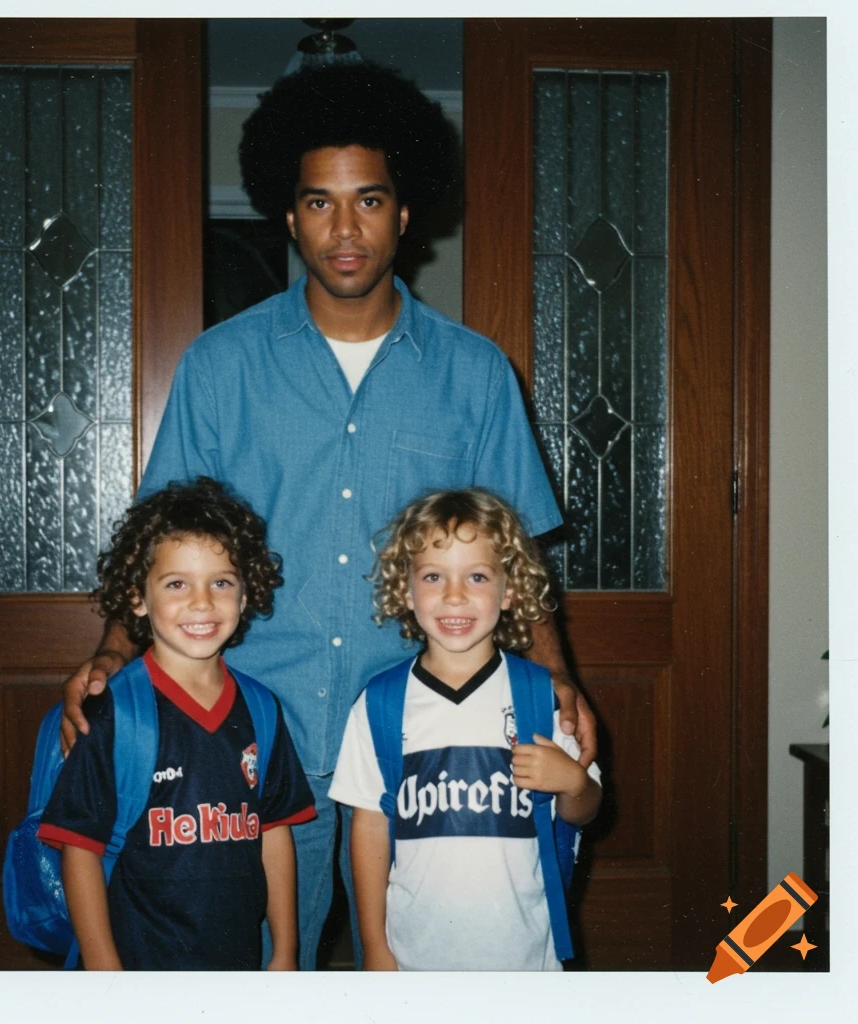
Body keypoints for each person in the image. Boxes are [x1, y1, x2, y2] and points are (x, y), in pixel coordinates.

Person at [60, 59, 597, 969]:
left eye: (370, 201)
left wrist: (559, 683)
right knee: (268, 969)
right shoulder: (219, 366)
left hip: (430, 742)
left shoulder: (473, 374)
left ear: (405, 211)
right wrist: (115, 650)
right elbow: (164, 537)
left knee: (428, 968)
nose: (344, 230)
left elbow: (517, 556)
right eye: (319, 203)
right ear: (287, 212)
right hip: (257, 741)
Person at [38, 477, 316, 970]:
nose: (202, 603)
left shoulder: (263, 709)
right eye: (177, 584)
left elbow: (274, 832)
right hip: (137, 966)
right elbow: (79, 851)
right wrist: (106, 973)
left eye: (222, 582)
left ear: (246, 594)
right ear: (138, 598)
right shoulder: (115, 712)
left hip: (237, 962)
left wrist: (287, 952)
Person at [329, 488, 601, 970]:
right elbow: (369, 827)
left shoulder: (541, 698)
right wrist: (373, 944)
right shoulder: (380, 704)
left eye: (477, 576)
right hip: (417, 962)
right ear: (405, 590)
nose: (455, 595)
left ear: (510, 589)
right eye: (434, 576)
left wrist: (573, 782)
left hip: (524, 963)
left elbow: (584, 810)